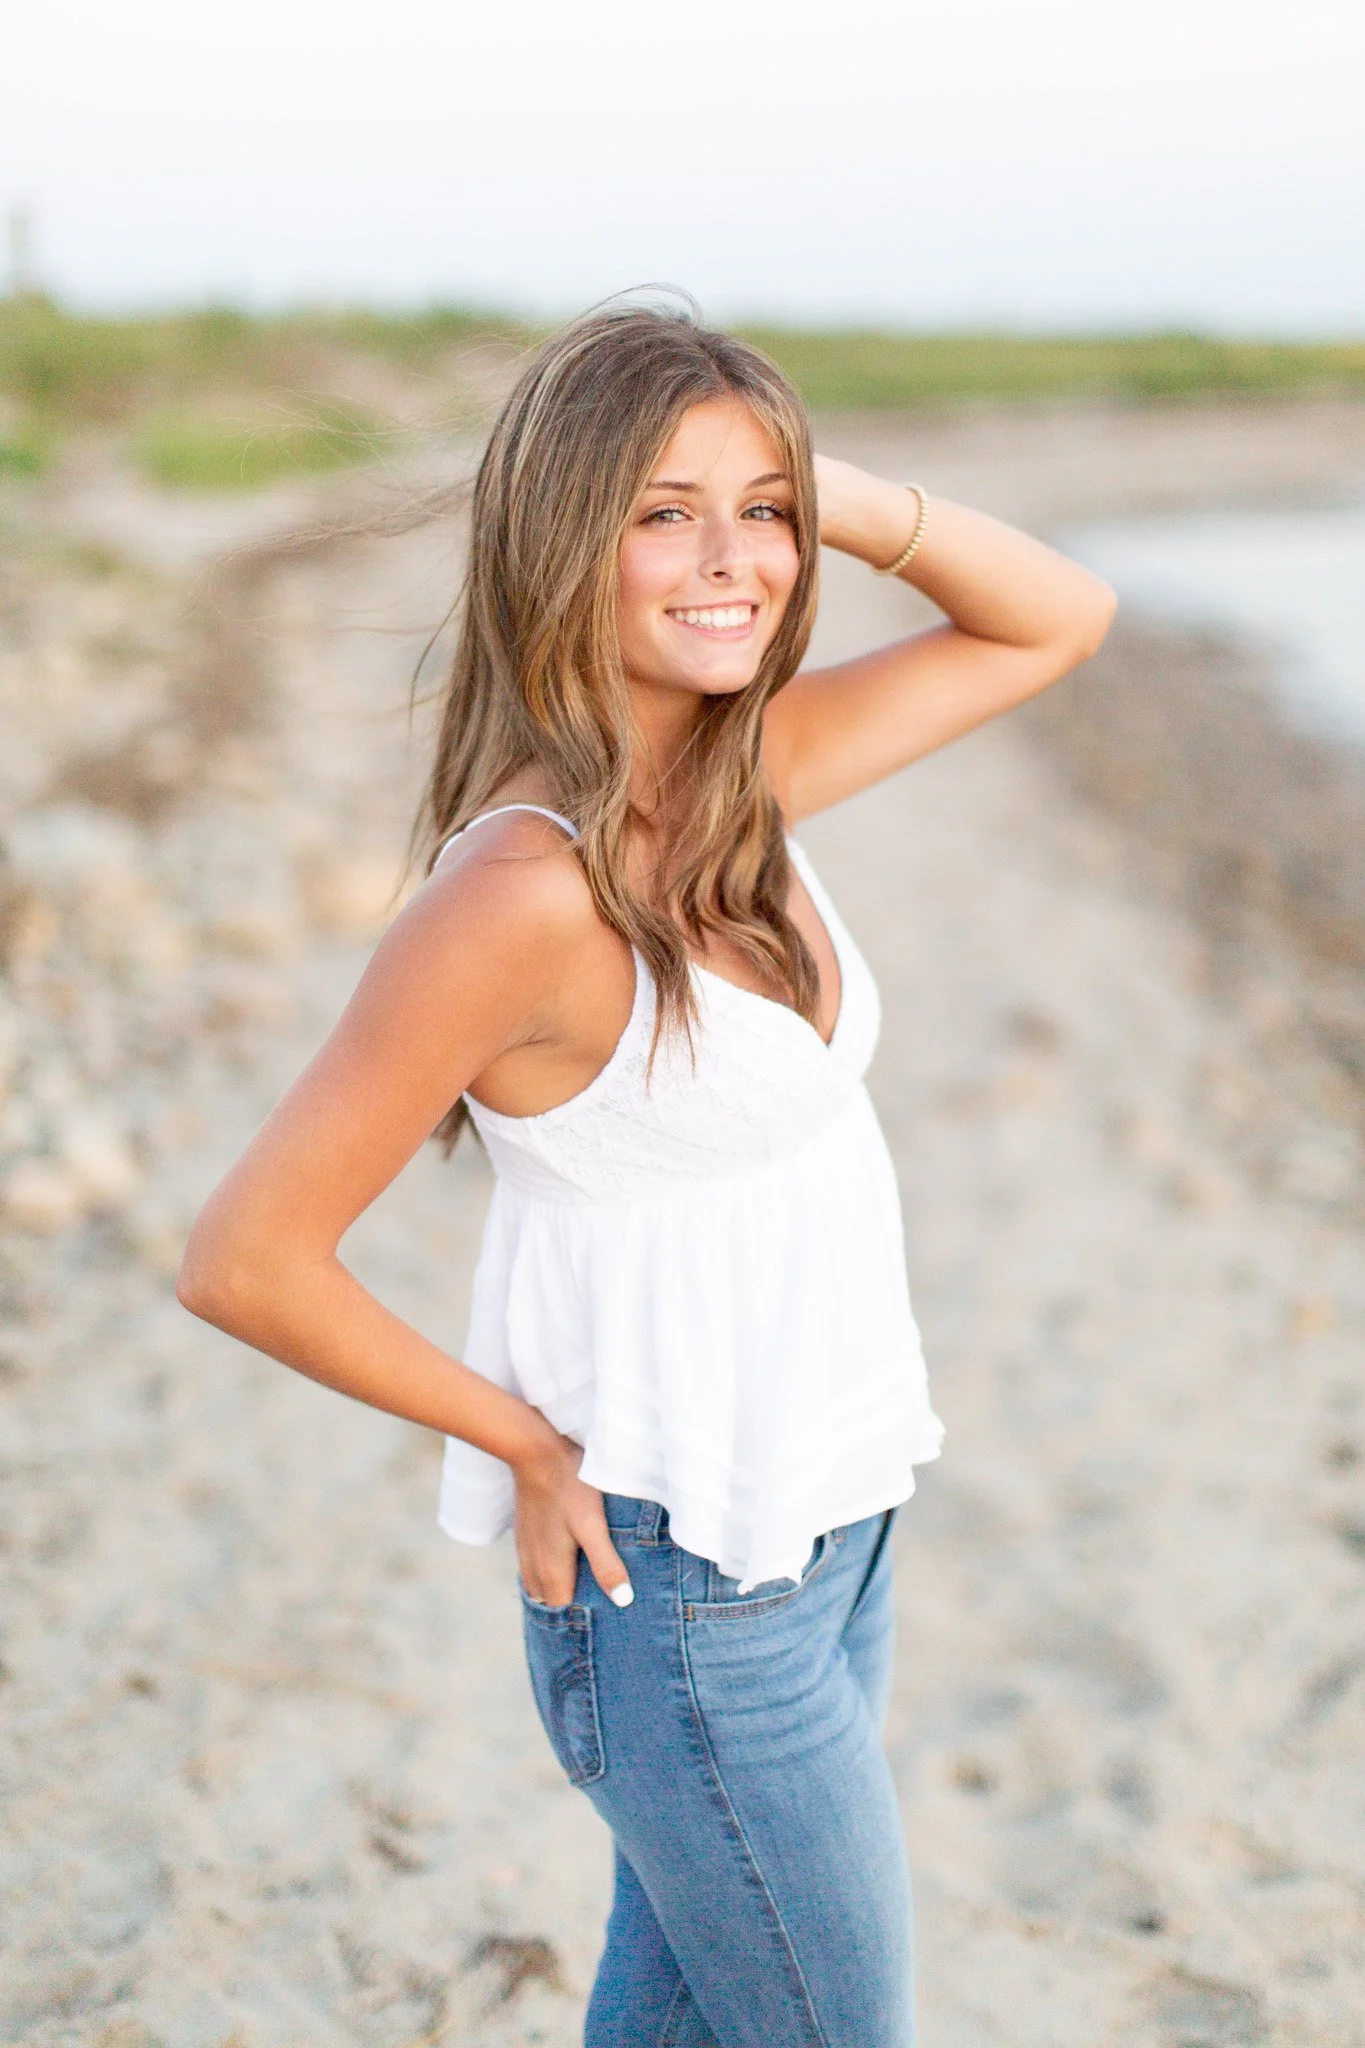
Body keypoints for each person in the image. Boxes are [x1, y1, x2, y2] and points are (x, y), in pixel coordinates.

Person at [179, 301, 1115, 2047]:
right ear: (562, 544)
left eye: (764, 509)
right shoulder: (520, 898)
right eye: (662, 512)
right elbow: (247, 1255)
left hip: (834, 1517)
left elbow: (1058, 617)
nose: (735, 559)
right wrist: (518, 1435)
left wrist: (818, 498)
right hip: (683, 1597)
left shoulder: (743, 783)